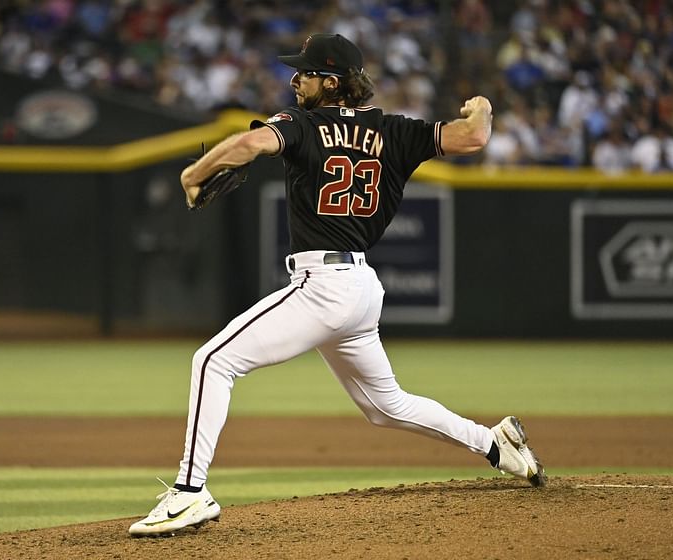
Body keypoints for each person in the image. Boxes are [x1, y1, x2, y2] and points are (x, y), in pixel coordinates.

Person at [129, 33, 546, 537]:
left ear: (331, 83)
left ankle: (189, 494)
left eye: (303, 73)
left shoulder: (302, 124)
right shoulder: (393, 130)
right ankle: (497, 446)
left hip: (322, 285)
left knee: (213, 361)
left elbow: (248, 143)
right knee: (386, 406)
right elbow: (473, 137)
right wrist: (481, 107)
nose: (294, 79)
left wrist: (193, 174)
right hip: (361, 288)